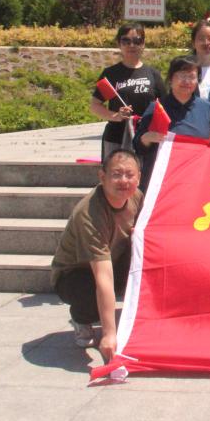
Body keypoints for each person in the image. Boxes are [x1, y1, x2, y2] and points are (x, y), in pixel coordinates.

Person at [52, 149, 142, 361]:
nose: (124, 181)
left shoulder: (137, 197)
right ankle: (81, 319)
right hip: (75, 273)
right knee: (91, 295)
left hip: (115, 258)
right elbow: (103, 275)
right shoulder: (89, 213)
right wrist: (109, 334)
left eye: (129, 175)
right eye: (116, 174)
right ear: (102, 177)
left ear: (139, 177)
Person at [134, 56, 210, 193]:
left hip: (195, 177)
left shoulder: (207, 108)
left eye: (192, 77)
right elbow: (138, 145)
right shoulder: (157, 108)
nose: (186, 81)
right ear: (171, 79)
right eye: (181, 76)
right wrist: (146, 138)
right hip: (162, 180)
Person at [89, 23, 167, 161]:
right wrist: (115, 116)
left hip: (145, 138)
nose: (132, 45)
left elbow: (165, 106)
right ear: (119, 44)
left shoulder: (152, 74)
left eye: (137, 41)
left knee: (145, 174)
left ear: (143, 44)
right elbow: (95, 105)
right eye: (126, 41)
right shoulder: (111, 74)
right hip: (116, 137)